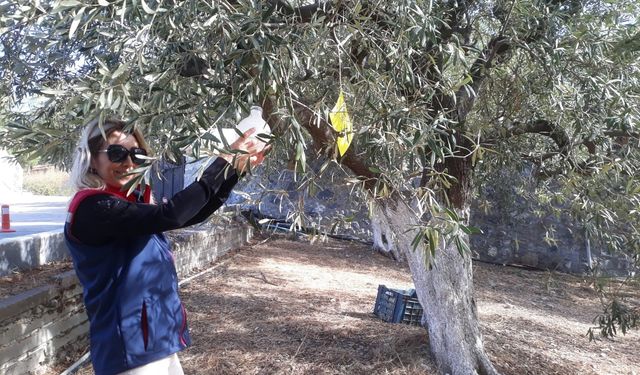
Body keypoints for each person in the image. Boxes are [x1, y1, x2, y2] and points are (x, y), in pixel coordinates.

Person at [65, 117, 268, 375]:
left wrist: (233, 171)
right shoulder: (93, 208)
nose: (129, 162)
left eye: (137, 154)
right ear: (92, 159)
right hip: (130, 348)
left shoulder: (126, 201)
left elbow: (193, 215)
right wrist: (223, 162)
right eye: (117, 153)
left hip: (155, 340)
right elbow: (171, 215)